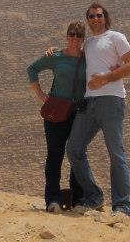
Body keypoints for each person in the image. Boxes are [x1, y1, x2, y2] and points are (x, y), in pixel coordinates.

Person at [66, 1, 130, 216]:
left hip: (111, 100)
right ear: (87, 20)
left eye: (99, 15)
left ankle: (123, 205)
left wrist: (105, 78)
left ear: (105, 17)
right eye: (91, 16)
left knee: (116, 152)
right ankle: (94, 196)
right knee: (74, 148)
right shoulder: (87, 43)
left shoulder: (116, 37)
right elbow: (70, 53)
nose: (95, 19)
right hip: (90, 102)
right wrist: (51, 53)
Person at [27, 22, 86, 213]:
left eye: (79, 35)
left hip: (79, 113)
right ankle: (52, 200)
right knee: (55, 154)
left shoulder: (89, 58)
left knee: (77, 154)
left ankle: (78, 200)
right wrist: (41, 95)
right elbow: (32, 69)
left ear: (83, 39)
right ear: (67, 36)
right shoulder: (56, 56)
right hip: (57, 112)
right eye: (72, 34)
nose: (74, 38)